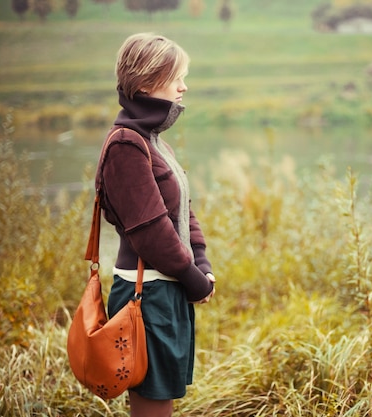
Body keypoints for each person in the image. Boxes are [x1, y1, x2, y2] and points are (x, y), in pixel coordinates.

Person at [95, 33, 216, 417]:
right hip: (144, 297)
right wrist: (194, 279)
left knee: (162, 403)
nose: (184, 86)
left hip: (166, 291)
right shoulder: (126, 145)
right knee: (152, 409)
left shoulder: (154, 142)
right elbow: (151, 232)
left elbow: (184, 213)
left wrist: (203, 265)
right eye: (176, 77)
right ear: (146, 84)